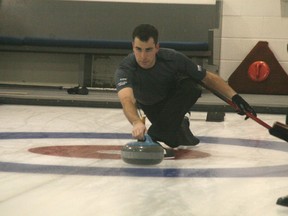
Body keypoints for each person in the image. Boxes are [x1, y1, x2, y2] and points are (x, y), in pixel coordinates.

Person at [115, 24, 256, 148]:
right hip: (151, 105)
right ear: (132, 47)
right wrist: (136, 122)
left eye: (148, 50)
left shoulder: (172, 58)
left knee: (191, 86)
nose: (143, 56)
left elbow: (208, 77)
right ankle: (179, 124)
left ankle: (155, 134)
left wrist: (236, 97)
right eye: (138, 49)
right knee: (174, 140)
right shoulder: (126, 68)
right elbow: (127, 99)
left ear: (157, 47)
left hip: (173, 100)